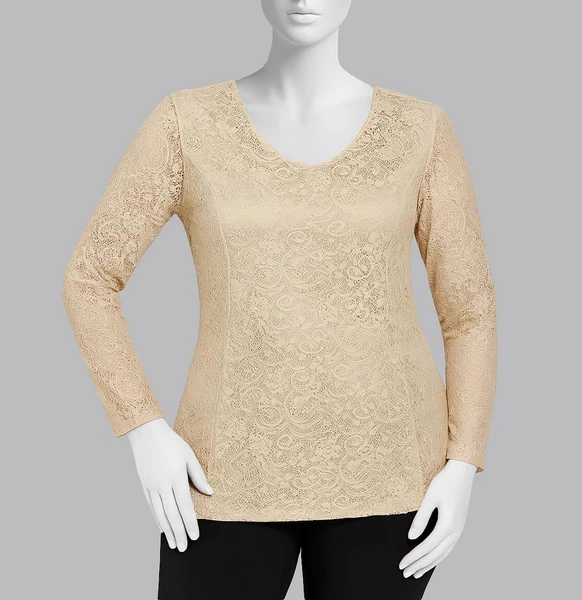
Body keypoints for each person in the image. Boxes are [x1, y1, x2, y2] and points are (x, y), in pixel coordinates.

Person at [61, 1, 497, 598]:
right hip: (223, 472)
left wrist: (464, 460)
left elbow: (469, 310)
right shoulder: (187, 123)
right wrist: (143, 426)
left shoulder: (419, 131)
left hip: (391, 471)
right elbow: (89, 277)